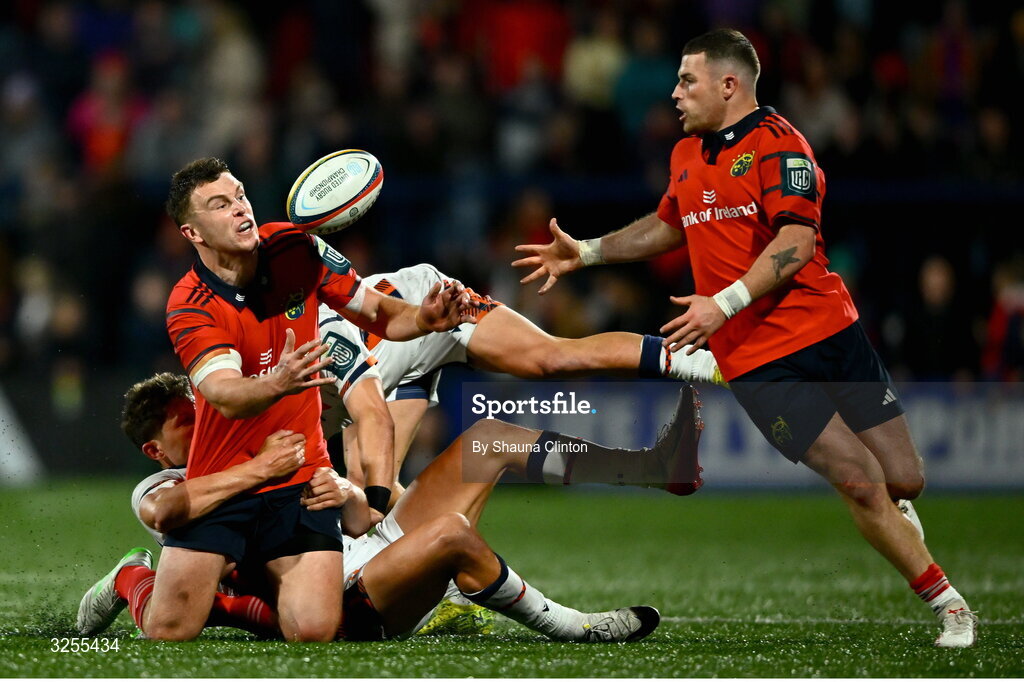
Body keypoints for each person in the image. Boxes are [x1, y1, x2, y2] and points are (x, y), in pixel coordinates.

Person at [512, 28, 976, 648]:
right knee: (860, 480)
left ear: (729, 85)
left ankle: (897, 513)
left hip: (828, 332)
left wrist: (721, 304)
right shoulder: (685, 156)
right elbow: (667, 224)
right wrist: (590, 251)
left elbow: (798, 242)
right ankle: (949, 604)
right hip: (755, 363)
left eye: (687, 81)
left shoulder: (780, 146)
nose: (674, 94)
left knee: (904, 478)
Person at [79, 372, 702, 642]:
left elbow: (360, 520)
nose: (208, 422)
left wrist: (346, 491)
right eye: (188, 423)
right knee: (453, 535)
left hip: (363, 547)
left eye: (204, 409)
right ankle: (574, 626)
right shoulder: (163, 489)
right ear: (155, 447)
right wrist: (262, 470)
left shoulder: (262, 441)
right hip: (352, 596)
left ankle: (650, 466)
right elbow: (168, 514)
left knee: (490, 440)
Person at [151, 157, 472, 642]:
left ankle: (247, 592)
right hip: (224, 480)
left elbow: (380, 313)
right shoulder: (189, 301)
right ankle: (134, 579)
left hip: (302, 478)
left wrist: (424, 319)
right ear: (192, 233)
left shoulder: (296, 250)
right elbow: (223, 394)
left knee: (315, 631)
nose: (240, 210)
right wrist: (279, 381)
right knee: (168, 634)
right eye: (220, 205)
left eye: (239, 195)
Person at [318, 262, 721, 499]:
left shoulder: (303, 385)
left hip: (423, 301)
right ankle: (649, 468)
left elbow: (371, 423)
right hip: (383, 362)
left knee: (551, 358)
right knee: (376, 490)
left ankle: (706, 365)